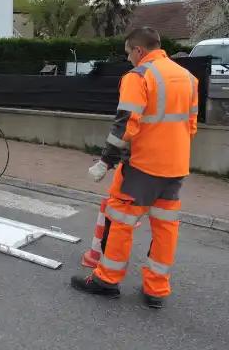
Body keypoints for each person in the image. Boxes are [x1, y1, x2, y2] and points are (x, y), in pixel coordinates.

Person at [71, 27, 199, 308]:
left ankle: (107, 279)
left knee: (121, 221)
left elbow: (125, 124)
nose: (128, 58)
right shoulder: (188, 77)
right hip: (176, 165)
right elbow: (191, 126)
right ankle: (156, 290)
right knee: (165, 228)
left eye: (128, 52)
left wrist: (106, 161)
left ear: (139, 51)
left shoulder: (139, 76)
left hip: (143, 165)